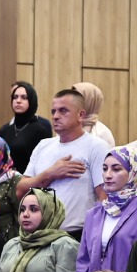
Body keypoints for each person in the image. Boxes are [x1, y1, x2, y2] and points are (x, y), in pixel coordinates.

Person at [17, 88, 109, 235]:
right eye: (53, 111)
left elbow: (104, 196)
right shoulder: (43, 146)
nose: (55, 116)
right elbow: (20, 190)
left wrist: (94, 235)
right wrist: (49, 174)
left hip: (78, 233)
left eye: (63, 111)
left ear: (80, 115)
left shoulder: (96, 146)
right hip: (39, 234)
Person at [76, 146, 137, 272]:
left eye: (116, 169)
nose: (108, 175)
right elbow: (83, 263)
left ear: (134, 173)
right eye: (105, 169)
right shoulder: (94, 213)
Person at [0, 81, 50, 172]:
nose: (18, 101)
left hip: (30, 178)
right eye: (15, 97)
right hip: (5, 179)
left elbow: (44, 163)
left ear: (31, 100)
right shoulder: (4, 130)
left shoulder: (40, 130)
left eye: (24, 97)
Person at [73, 80, 116, 145]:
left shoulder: (102, 133)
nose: (72, 102)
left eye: (77, 99)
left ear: (90, 101)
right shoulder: (66, 127)